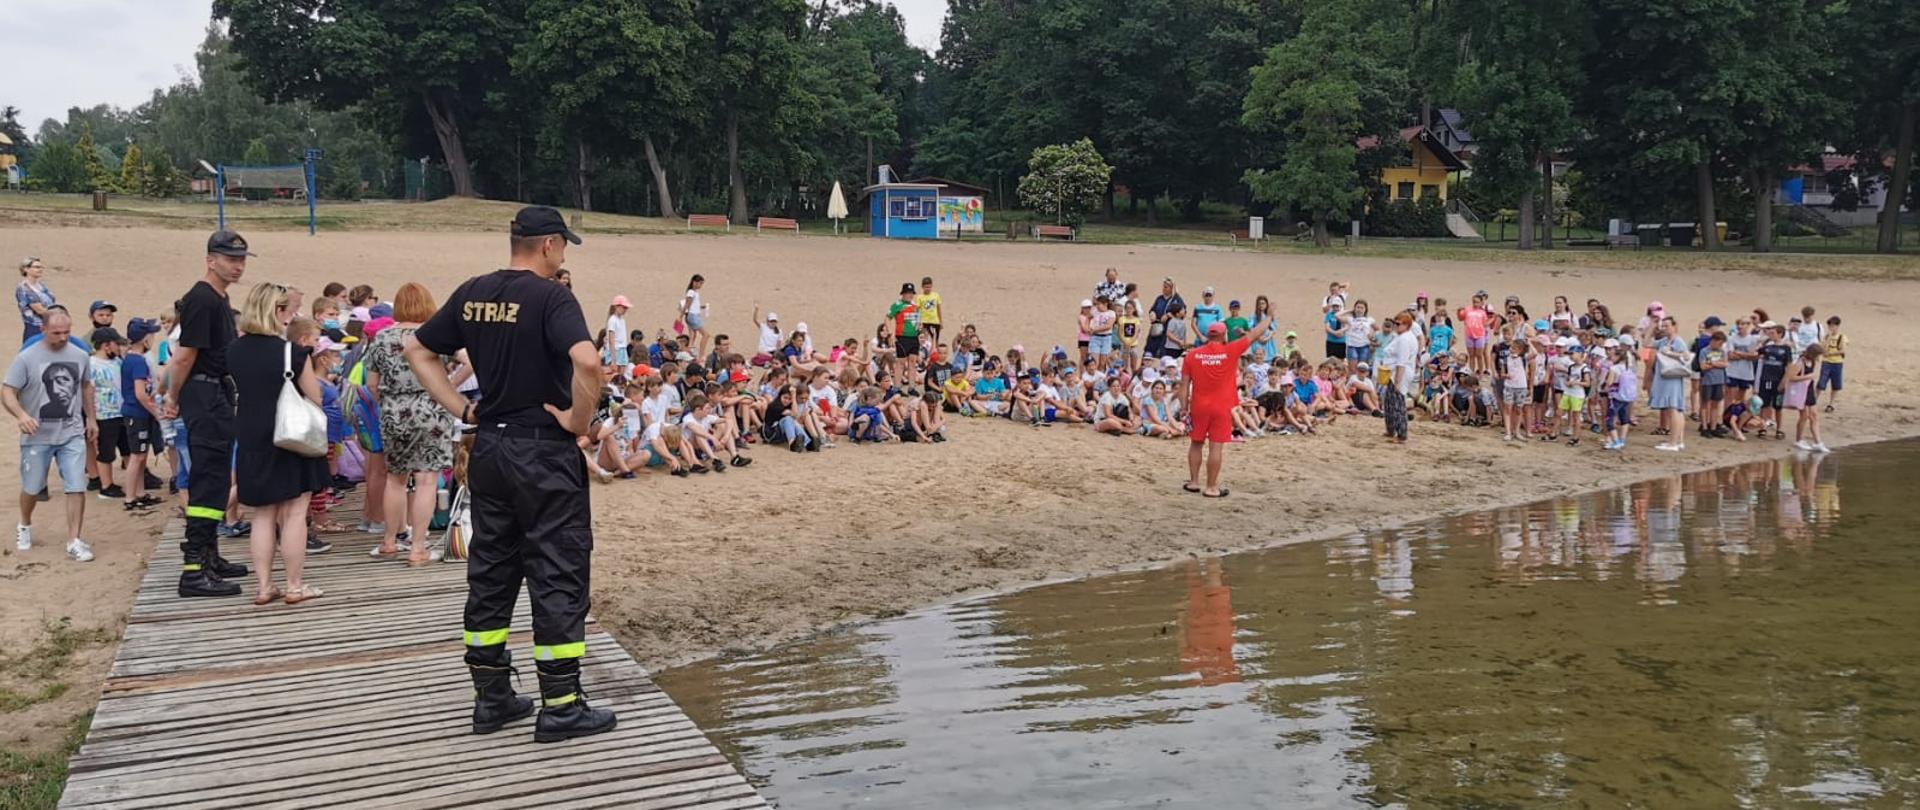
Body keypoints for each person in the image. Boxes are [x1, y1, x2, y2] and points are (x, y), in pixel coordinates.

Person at [405, 205, 616, 742]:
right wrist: (578, 418)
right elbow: (588, 362)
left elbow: (418, 348)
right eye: (563, 245)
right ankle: (562, 705)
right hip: (544, 450)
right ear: (548, 245)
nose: (563, 253)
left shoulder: (474, 291)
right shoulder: (552, 296)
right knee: (557, 570)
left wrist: (462, 408)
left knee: (492, 572)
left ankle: (492, 697)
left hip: (491, 447)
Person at [160, 230, 254, 597]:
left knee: (215, 480)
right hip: (204, 391)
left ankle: (209, 555)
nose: (238, 266)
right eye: (231, 259)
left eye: (241, 259)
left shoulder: (217, 298)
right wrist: (173, 397)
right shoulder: (202, 299)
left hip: (214, 390)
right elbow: (185, 355)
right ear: (211, 260)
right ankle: (194, 568)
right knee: (208, 478)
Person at [226, 283, 330, 605]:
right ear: (278, 312)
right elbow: (315, 397)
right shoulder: (292, 353)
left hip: (252, 434)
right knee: (296, 512)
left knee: (262, 514)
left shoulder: (234, 351)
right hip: (290, 436)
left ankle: (263, 586)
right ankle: (295, 585)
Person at [366, 282, 456, 565]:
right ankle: (418, 547)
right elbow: (468, 361)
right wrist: (449, 386)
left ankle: (390, 540)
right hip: (431, 408)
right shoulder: (435, 335)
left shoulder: (382, 337)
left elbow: (371, 383)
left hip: (395, 409)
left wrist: (388, 401)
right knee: (427, 480)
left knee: (395, 478)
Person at [4, 310, 97, 561]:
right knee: (32, 487)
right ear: (43, 330)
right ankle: (24, 523)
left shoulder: (79, 355)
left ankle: (74, 540)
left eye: (67, 331)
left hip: (72, 432)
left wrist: (91, 418)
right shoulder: (26, 358)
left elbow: (86, 386)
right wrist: (21, 416)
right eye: (57, 333)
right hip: (37, 435)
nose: (63, 337)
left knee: (76, 484)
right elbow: (8, 391)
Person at [1179, 310, 1273, 498]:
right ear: (1223, 336)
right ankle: (1211, 487)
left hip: (1198, 405)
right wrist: (1269, 317)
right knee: (1216, 446)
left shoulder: (1192, 355)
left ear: (1208, 335)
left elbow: (1184, 385)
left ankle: (1194, 482)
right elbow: (1255, 334)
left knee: (1196, 443)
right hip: (1221, 406)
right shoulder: (1230, 350)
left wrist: (1183, 408)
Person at [120, 318, 166, 511]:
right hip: (136, 413)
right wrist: (155, 412)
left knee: (141, 455)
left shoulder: (131, 359)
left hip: (137, 412)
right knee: (137, 456)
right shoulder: (137, 362)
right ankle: (130, 496)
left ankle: (139, 493)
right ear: (144, 339)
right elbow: (140, 394)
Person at [86, 328, 128, 500]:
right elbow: (88, 391)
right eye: (116, 344)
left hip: (121, 412)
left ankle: (128, 482)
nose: (119, 347)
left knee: (126, 448)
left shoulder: (118, 361)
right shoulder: (91, 364)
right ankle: (106, 485)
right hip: (104, 415)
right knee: (106, 452)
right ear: (106, 345)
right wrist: (92, 417)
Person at [1378, 313, 1419, 443]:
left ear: (1406, 325)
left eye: (1398, 324)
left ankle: (1401, 434)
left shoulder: (1405, 339)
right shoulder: (1402, 336)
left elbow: (1402, 362)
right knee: (1389, 402)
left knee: (1397, 404)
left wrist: (1398, 381)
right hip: (1393, 372)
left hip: (1399, 373)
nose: (1395, 326)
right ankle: (1391, 429)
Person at [16, 257, 55, 344]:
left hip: (49, 326)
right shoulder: (23, 288)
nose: (40, 269)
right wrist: (58, 317)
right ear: (26, 269)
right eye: (36, 267)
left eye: (41, 267)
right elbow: (39, 310)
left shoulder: (42, 286)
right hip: (35, 327)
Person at [889, 282, 922, 379]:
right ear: (903, 294)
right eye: (908, 293)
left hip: (914, 337)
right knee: (901, 363)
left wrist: (920, 326)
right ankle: (897, 387)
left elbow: (918, 320)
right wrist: (891, 333)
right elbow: (888, 318)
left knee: (913, 362)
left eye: (911, 293)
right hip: (902, 336)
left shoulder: (915, 306)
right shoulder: (897, 305)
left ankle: (911, 387)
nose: (910, 295)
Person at [1145, 278, 1184, 360]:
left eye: (1166, 287)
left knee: (1164, 354)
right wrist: (1152, 313)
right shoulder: (1159, 298)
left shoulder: (1176, 299)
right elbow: (1152, 309)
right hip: (1157, 328)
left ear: (1171, 288)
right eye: (1163, 286)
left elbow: (1182, 313)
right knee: (1150, 351)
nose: (1164, 289)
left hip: (1169, 330)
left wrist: (1168, 315)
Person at [678, 274, 709, 359]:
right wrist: (680, 316)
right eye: (700, 283)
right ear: (694, 282)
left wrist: (701, 307)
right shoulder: (691, 292)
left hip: (693, 315)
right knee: (705, 335)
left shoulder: (694, 292)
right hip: (693, 316)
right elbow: (687, 305)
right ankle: (701, 355)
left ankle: (688, 353)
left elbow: (692, 305)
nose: (701, 286)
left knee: (692, 336)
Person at [1818, 315, 1845, 413]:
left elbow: (1842, 350)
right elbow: (1822, 348)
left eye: (1833, 326)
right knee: (1821, 383)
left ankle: (1831, 404)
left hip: (1837, 363)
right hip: (1826, 362)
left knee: (1835, 384)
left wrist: (1830, 353)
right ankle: (1814, 401)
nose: (1831, 328)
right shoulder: (1826, 337)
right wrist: (1828, 339)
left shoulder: (1842, 337)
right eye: (1830, 326)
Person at [916, 276, 944, 345]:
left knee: (935, 340)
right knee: (924, 340)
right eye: (926, 287)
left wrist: (941, 322)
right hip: (924, 322)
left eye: (929, 287)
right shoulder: (920, 297)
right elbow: (917, 310)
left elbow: (938, 309)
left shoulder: (936, 295)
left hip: (935, 321)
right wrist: (918, 322)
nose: (928, 289)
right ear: (922, 287)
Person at [605, 295, 631, 368]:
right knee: (614, 374)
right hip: (615, 350)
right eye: (624, 307)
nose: (625, 310)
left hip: (622, 349)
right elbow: (611, 340)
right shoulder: (612, 320)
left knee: (621, 375)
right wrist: (613, 360)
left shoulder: (622, 320)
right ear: (616, 306)